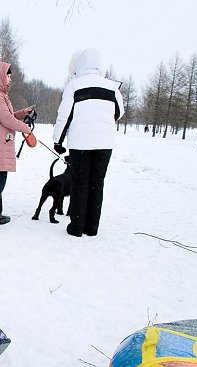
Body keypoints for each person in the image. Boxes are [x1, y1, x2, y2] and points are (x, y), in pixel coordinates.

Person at [52, 48, 124, 237]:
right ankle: (92, 227)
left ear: (79, 65)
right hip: (105, 144)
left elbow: (64, 116)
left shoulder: (74, 85)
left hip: (80, 144)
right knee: (97, 183)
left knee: (80, 184)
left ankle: (76, 227)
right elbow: (119, 112)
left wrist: (58, 141)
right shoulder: (112, 87)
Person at [0, 61, 35, 225]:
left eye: (10, 76)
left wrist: (22, 113)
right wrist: (26, 129)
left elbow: (6, 117)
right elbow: (6, 120)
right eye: (7, 76)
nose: (10, 80)